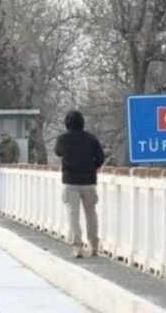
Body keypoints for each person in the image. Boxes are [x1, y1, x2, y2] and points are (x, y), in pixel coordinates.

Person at [54, 110, 105, 258]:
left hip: (70, 181)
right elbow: (100, 157)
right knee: (91, 213)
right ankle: (94, 244)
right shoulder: (91, 139)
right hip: (89, 181)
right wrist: (91, 168)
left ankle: (77, 247)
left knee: (73, 215)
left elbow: (58, 152)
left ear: (67, 124)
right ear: (82, 123)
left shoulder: (62, 139)